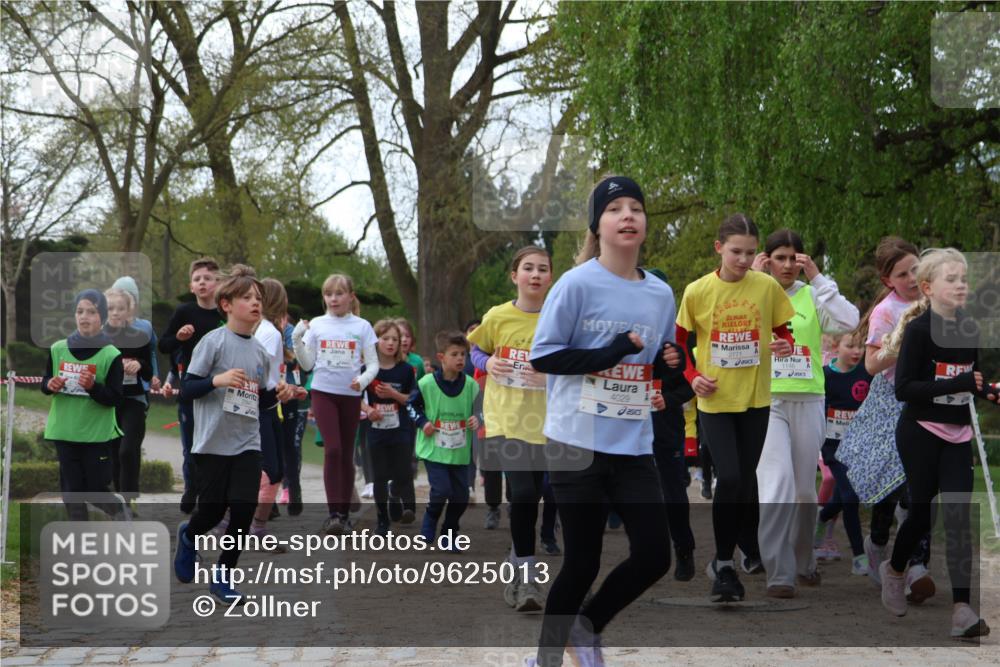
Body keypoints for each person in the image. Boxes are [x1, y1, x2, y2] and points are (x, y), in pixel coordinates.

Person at [527, 176, 683, 666]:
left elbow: (646, 364)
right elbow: (545, 358)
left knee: (656, 555)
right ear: (598, 224)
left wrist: (667, 363)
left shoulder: (659, 294)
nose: (628, 215)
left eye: (636, 207)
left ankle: (587, 625)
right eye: (615, 208)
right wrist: (611, 349)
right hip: (576, 439)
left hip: (633, 442)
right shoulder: (576, 284)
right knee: (581, 563)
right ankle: (545, 660)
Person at [674, 213, 796, 603]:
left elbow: (783, 332)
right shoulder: (697, 291)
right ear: (718, 249)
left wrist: (785, 345)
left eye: (749, 252)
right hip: (715, 400)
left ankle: (728, 560)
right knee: (728, 479)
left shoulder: (766, 287)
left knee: (744, 483)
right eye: (735, 252)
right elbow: (678, 346)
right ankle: (725, 564)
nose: (743, 260)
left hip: (757, 399)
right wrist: (692, 377)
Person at [878, 248, 995, 638]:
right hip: (920, 431)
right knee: (923, 514)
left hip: (958, 433)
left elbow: (970, 381)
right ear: (928, 288)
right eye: (952, 279)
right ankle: (895, 570)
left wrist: (989, 391)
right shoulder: (918, 330)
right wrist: (958, 384)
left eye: (964, 279)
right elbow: (905, 389)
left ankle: (962, 609)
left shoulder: (969, 328)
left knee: (960, 515)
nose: (961, 285)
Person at [173, 265, 293, 604]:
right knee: (211, 513)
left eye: (258, 298)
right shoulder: (212, 343)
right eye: (246, 298)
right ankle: (189, 534)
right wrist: (217, 380)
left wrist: (281, 392)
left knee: (242, 509)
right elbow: (187, 389)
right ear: (226, 304)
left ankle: (223, 576)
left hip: (246, 442)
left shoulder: (260, 351)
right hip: (212, 443)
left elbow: (261, 399)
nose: (256, 303)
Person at [752, 229, 859, 598]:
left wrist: (817, 276)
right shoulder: (756, 291)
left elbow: (848, 322)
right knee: (777, 483)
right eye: (779, 257)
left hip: (809, 400)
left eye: (793, 258)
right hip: (767, 402)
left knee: (802, 490)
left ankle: (804, 563)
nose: (786, 265)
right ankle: (779, 572)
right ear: (767, 259)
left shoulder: (813, 294)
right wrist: (752, 279)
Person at [836, 237, 935, 599]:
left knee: (922, 489)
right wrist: (901, 340)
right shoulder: (886, 311)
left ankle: (917, 566)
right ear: (887, 279)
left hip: (931, 401)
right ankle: (877, 542)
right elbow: (871, 363)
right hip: (893, 404)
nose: (912, 278)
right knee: (892, 487)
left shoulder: (934, 300)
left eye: (915, 269)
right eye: (902, 273)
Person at [468, 245, 555, 613]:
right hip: (506, 419)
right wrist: (488, 362)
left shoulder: (558, 317)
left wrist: (552, 373)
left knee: (533, 498)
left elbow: (573, 361)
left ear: (551, 277)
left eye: (543, 269)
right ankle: (526, 579)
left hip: (546, 422)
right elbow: (474, 349)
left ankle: (518, 558)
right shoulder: (498, 316)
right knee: (521, 494)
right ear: (514, 275)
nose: (536, 275)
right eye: (528, 268)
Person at [293, 274, 378, 535]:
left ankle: (343, 514)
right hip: (323, 392)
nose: (333, 299)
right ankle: (333, 515)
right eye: (328, 294)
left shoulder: (362, 326)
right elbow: (307, 364)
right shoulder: (317, 325)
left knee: (346, 454)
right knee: (332, 450)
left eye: (339, 293)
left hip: (350, 395)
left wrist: (362, 381)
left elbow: (373, 363)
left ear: (350, 297)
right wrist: (297, 340)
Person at [41, 289, 127, 521]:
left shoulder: (111, 354)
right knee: (71, 491)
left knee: (95, 489)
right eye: (80, 311)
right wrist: (51, 384)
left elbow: (116, 398)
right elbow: (44, 382)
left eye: (91, 311)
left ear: (102, 317)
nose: (84, 317)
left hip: (95, 434)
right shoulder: (58, 348)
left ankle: (119, 512)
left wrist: (93, 387)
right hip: (65, 430)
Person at [645, 267, 697, 582]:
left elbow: (692, 383)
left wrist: (668, 397)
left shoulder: (679, 340)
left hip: (666, 427)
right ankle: (648, 555)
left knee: (673, 492)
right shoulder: (625, 332)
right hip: (627, 428)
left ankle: (684, 548)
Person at [159, 257, 223, 513]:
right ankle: (191, 488)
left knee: (215, 446)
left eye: (207, 278)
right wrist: (178, 337)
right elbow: (163, 345)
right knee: (191, 445)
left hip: (220, 388)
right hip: (191, 388)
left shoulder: (224, 313)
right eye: (197, 279)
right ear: (191, 286)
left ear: (218, 283)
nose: (202, 283)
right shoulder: (184, 312)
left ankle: (213, 492)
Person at [408, 330, 480, 544]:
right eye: (455, 354)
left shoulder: (471, 385)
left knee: (461, 497)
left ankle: (449, 533)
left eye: (463, 355)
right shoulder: (426, 383)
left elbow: (481, 410)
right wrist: (423, 422)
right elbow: (411, 406)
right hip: (434, 449)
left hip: (459, 451)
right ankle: (430, 519)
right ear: (441, 357)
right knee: (441, 490)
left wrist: (478, 419)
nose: (460, 359)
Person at [816, 331, 872, 575]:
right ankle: (860, 555)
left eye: (861, 346)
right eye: (851, 346)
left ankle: (821, 517)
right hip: (834, 449)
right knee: (849, 498)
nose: (857, 352)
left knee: (840, 498)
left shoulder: (867, 374)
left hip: (860, 448)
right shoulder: (825, 376)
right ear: (837, 347)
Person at [363, 320, 417, 536]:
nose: (391, 343)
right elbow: (356, 397)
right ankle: (382, 520)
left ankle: (396, 495)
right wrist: (368, 410)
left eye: (395, 339)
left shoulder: (405, 370)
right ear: (376, 341)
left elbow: (412, 399)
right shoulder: (368, 369)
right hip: (376, 429)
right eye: (385, 338)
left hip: (401, 428)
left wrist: (394, 395)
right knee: (380, 476)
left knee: (404, 473)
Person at [103, 287, 154, 510]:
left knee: (127, 450)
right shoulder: (98, 338)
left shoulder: (138, 336)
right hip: (108, 401)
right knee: (114, 452)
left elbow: (149, 370)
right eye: (111, 308)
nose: (115, 313)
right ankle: (121, 503)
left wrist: (139, 364)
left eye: (120, 308)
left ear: (128, 310)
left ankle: (128, 497)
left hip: (134, 400)